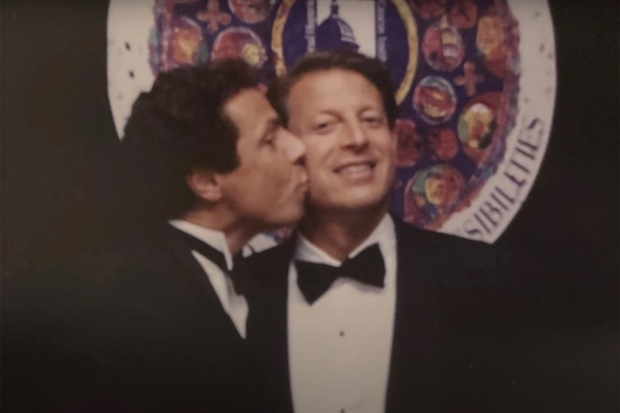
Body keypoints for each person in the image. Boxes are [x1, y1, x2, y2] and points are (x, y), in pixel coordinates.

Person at [2, 59, 307, 413]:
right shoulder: (113, 304)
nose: (297, 148)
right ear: (207, 182)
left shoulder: (251, 281)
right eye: (270, 139)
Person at [245, 50, 497, 413]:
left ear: (393, 141)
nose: (357, 138)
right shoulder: (240, 290)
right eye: (325, 125)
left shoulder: (481, 277)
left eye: (371, 120)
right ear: (286, 149)